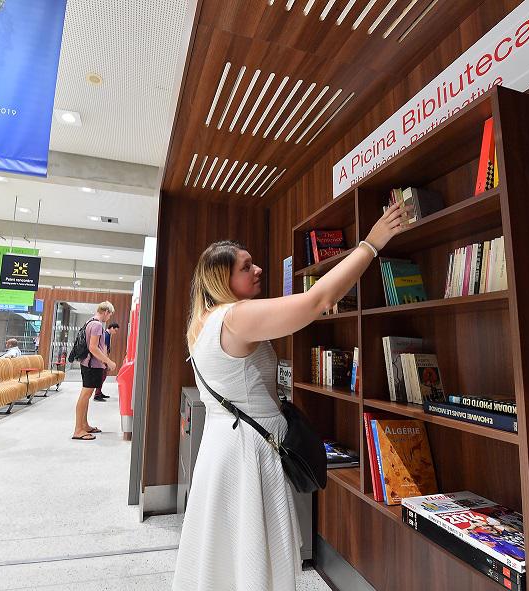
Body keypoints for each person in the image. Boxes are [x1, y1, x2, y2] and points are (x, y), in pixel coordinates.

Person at [171, 203, 405, 590]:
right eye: (246, 267)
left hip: (222, 447)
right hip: (249, 451)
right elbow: (316, 301)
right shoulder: (236, 316)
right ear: (223, 279)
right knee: (253, 554)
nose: (258, 269)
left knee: (226, 554)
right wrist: (371, 244)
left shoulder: (203, 321)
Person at [72, 302, 116, 440]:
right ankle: (78, 430)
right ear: (105, 311)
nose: (109, 318)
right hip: (92, 365)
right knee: (85, 395)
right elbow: (93, 347)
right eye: (110, 314)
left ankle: (84, 425)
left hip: (88, 363)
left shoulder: (89, 321)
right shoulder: (97, 325)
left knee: (87, 395)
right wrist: (108, 361)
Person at [93, 322, 120, 401]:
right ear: (111, 328)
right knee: (102, 377)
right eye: (115, 330)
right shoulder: (106, 335)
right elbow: (104, 348)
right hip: (102, 360)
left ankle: (99, 392)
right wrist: (106, 361)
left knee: (103, 376)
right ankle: (97, 395)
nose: (115, 332)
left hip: (102, 359)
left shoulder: (106, 334)